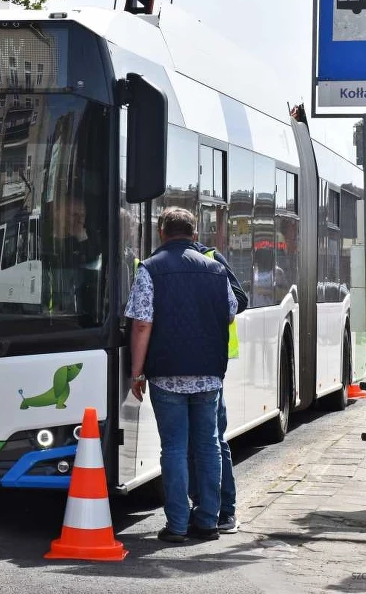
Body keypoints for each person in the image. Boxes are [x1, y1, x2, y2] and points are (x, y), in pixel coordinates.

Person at [127, 207, 237, 543]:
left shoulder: (150, 269)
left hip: (167, 374)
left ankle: (176, 525)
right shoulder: (217, 269)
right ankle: (207, 521)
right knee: (209, 447)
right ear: (193, 233)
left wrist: (136, 373)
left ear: (162, 232)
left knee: (173, 448)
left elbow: (143, 323)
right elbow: (231, 314)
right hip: (208, 373)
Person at [188, 238, 249, 534]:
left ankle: (225, 510)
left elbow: (241, 299)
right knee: (199, 441)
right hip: (198, 362)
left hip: (211, 363)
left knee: (212, 440)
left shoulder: (211, 257)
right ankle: (204, 505)